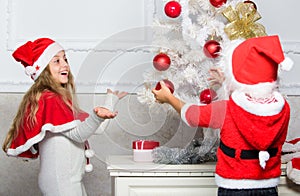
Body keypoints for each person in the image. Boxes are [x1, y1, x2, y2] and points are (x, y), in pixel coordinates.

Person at [152, 35, 293, 196]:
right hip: (268, 187)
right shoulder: (283, 109)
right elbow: (252, 107)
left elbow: (192, 115)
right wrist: (227, 83)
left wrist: (168, 98)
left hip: (233, 188)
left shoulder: (225, 109)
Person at [2, 38, 127, 196]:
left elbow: (98, 128)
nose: (65, 64)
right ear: (43, 69)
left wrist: (110, 100)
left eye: (65, 59)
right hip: (60, 181)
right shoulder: (50, 99)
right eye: (56, 61)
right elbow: (78, 134)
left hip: (67, 180)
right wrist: (98, 116)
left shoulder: (61, 101)